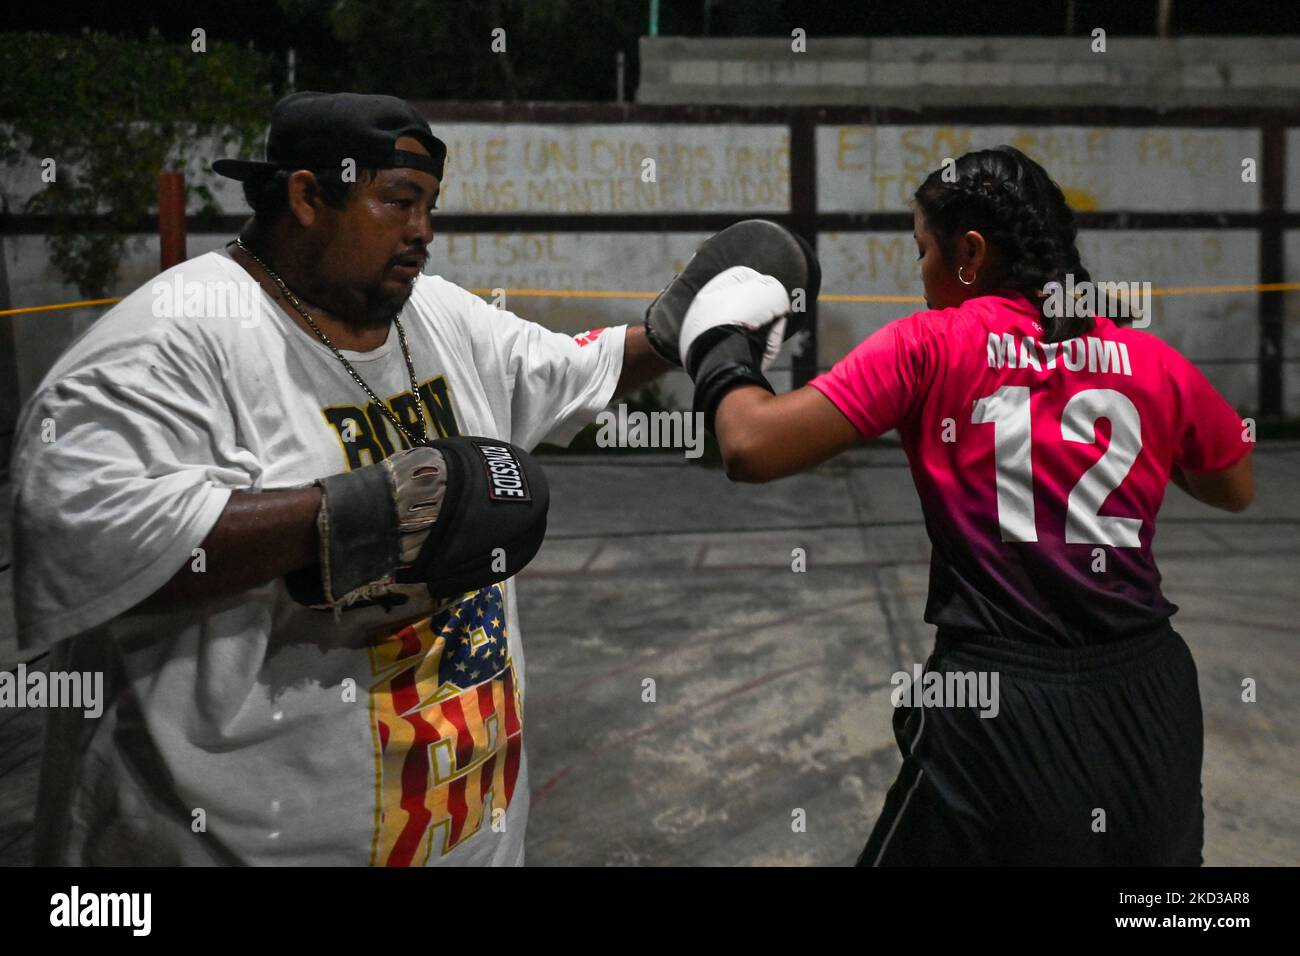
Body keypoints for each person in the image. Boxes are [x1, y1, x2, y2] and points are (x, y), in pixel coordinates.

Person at [10, 91, 674, 865]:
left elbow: (569, 366)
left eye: (429, 205)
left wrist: (678, 328)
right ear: (307, 195)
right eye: (398, 202)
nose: (423, 231)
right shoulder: (172, 341)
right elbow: (72, 529)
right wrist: (361, 516)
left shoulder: (434, 314)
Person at [664, 146, 1255, 865]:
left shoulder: (932, 344)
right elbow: (1235, 485)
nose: (920, 278)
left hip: (1003, 703)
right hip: (1150, 698)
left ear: (969, 254)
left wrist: (721, 346)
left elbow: (750, 446)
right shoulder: (1148, 359)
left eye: (922, 253)